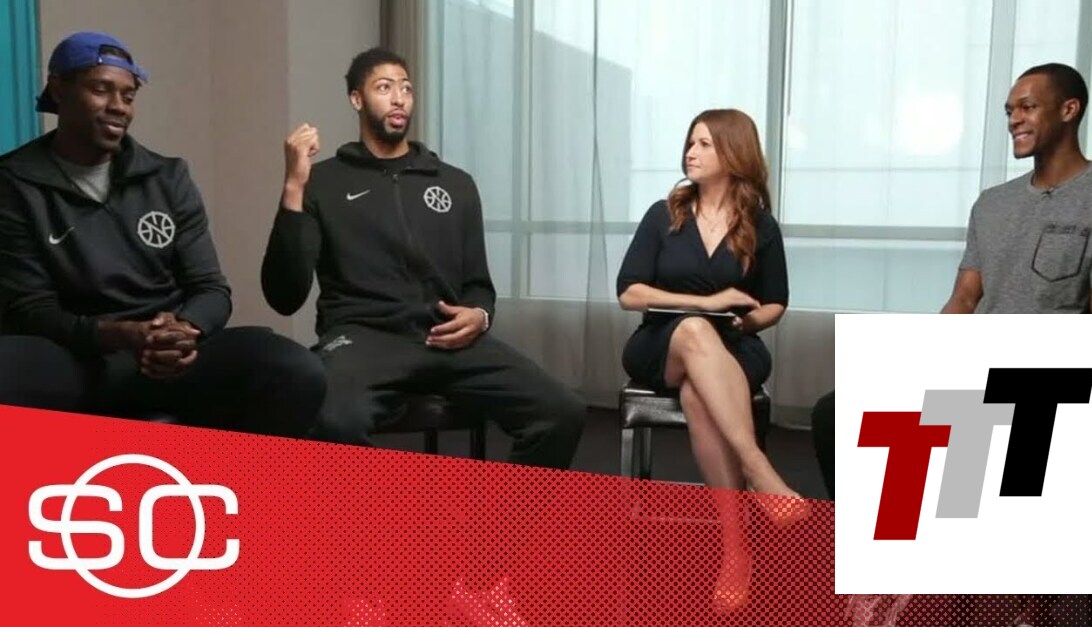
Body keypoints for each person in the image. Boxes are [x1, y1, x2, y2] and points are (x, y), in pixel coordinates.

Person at [261, 47, 585, 469]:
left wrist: (479, 316)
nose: (399, 98)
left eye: (406, 88)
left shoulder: (456, 183)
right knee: (333, 420)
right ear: (356, 99)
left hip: (447, 340)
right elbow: (284, 295)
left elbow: (478, 284)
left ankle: (508, 513)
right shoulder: (322, 182)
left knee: (561, 411)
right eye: (384, 88)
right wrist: (293, 187)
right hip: (363, 339)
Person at [0, 32, 326, 436]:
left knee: (295, 369)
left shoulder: (167, 176)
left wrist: (184, 331)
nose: (118, 106)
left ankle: (232, 478)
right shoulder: (14, 181)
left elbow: (210, 289)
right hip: (78, 356)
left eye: (128, 96)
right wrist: (120, 335)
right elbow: (31, 310)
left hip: (170, 355)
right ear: (58, 88)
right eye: (101, 90)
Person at [616, 108, 808, 613]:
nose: (691, 152)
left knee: (700, 394)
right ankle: (758, 469)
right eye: (690, 143)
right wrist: (706, 303)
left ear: (733, 152)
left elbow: (775, 302)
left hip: (733, 345)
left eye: (704, 144)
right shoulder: (664, 215)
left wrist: (744, 322)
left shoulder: (760, 225)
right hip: (661, 342)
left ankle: (735, 552)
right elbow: (629, 293)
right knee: (695, 331)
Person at [942, 63, 1092, 314]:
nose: (1014, 120)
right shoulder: (991, 203)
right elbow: (964, 299)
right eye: (1009, 111)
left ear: (1068, 110)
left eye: (1028, 107)